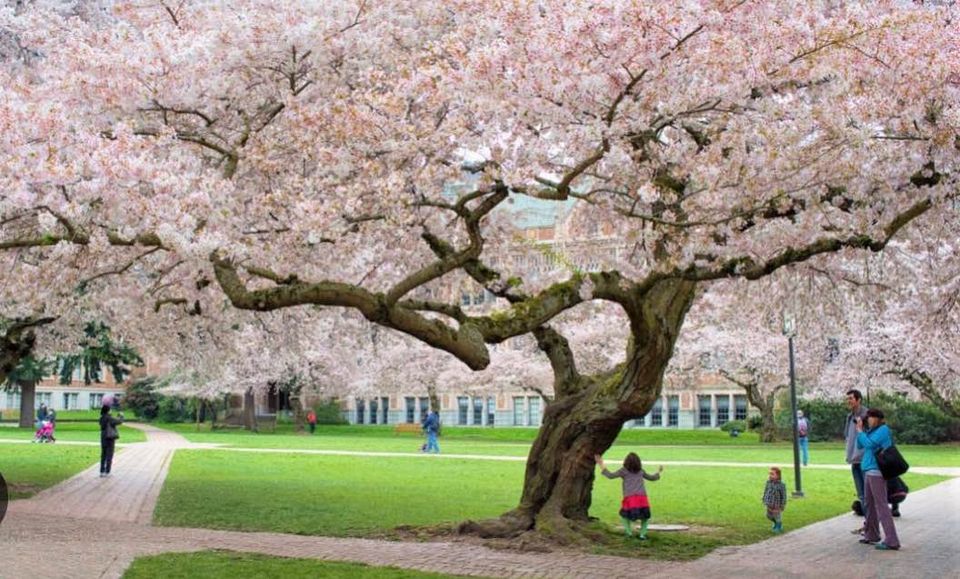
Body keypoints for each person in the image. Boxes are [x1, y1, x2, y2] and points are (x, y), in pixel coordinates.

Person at [856, 408, 901, 550]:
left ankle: (892, 540)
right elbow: (860, 445)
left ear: (876, 418)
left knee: (881, 505)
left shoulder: (883, 430)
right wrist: (861, 431)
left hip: (877, 472)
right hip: (868, 470)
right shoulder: (871, 431)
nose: (867, 420)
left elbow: (869, 444)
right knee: (869, 504)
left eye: (869, 418)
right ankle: (872, 534)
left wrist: (860, 432)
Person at [595, 452, 663, 540]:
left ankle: (629, 533)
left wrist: (601, 464)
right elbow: (652, 478)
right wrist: (659, 471)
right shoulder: (641, 471)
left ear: (626, 462)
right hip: (642, 498)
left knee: (624, 516)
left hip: (630, 498)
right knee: (645, 517)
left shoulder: (623, 471)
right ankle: (642, 535)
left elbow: (610, 475)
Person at [844, 389, 869, 520]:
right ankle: (868, 526)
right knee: (861, 494)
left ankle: (871, 526)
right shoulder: (849, 416)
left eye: (851, 399)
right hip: (854, 459)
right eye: (847, 399)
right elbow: (848, 436)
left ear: (858, 400)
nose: (849, 401)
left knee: (868, 493)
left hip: (864, 459)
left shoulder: (866, 415)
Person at [99, 404, 124, 478]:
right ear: (108, 410)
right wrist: (121, 415)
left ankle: (102, 471)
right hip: (110, 438)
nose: (111, 410)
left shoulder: (101, 418)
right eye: (110, 409)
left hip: (103, 437)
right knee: (109, 455)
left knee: (103, 454)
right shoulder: (109, 418)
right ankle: (107, 471)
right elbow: (119, 421)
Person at [763, 467, 787, 533]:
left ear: (778, 475)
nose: (770, 475)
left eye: (772, 474)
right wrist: (764, 499)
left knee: (777, 516)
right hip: (769, 503)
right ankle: (776, 522)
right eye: (769, 474)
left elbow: (784, 496)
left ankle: (778, 526)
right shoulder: (768, 482)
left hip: (777, 505)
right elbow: (766, 491)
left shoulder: (781, 485)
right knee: (768, 516)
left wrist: (782, 505)